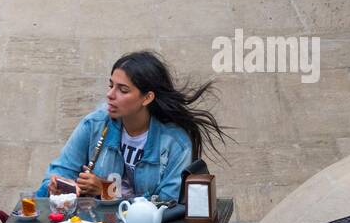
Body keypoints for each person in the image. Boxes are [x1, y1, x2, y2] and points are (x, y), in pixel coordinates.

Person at [38, 50, 228, 202]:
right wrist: (57, 185)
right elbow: (56, 174)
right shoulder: (94, 124)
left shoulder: (175, 143)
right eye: (110, 85)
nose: (110, 95)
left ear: (147, 97)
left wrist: (107, 190)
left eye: (123, 90)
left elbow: (166, 205)